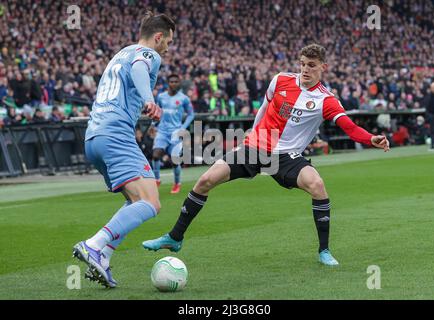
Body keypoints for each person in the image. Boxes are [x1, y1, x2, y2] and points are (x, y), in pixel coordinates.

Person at [142, 44, 390, 266]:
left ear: (323, 67)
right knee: (205, 180)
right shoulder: (280, 80)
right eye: (302, 64)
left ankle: (324, 250)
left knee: (317, 185)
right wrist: (251, 135)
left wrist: (371, 138)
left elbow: (349, 126)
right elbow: (263, 107)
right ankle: (174, 238)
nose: (305, 69)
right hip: (257, 146)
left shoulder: (326, 100)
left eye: (311, 66)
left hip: (287, 156)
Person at [72, 11, 175, 288]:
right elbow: (140, 69)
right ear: (158, 37)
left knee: (134, 201)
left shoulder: (121, 53)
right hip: (115, 134)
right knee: (151, 202)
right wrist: (150, 100)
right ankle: (94, 244)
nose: (167, 47)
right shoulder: (148, 54)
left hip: (94, 137)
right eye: (168, 41)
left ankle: (103, 257)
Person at [152, 74, 195, 193]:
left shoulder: (184, 98)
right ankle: (157, 180)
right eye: (171, 81)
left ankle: (177, 183)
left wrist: (183, 127)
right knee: (155, 155)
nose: (174, 83)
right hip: (162, 131)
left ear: (179, 83)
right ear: (168, 83)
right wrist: (153, 124)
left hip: (176, 132)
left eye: (176, 81)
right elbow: (157, 111)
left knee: (174, 160)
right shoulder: (161, 97)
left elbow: (191, 114)